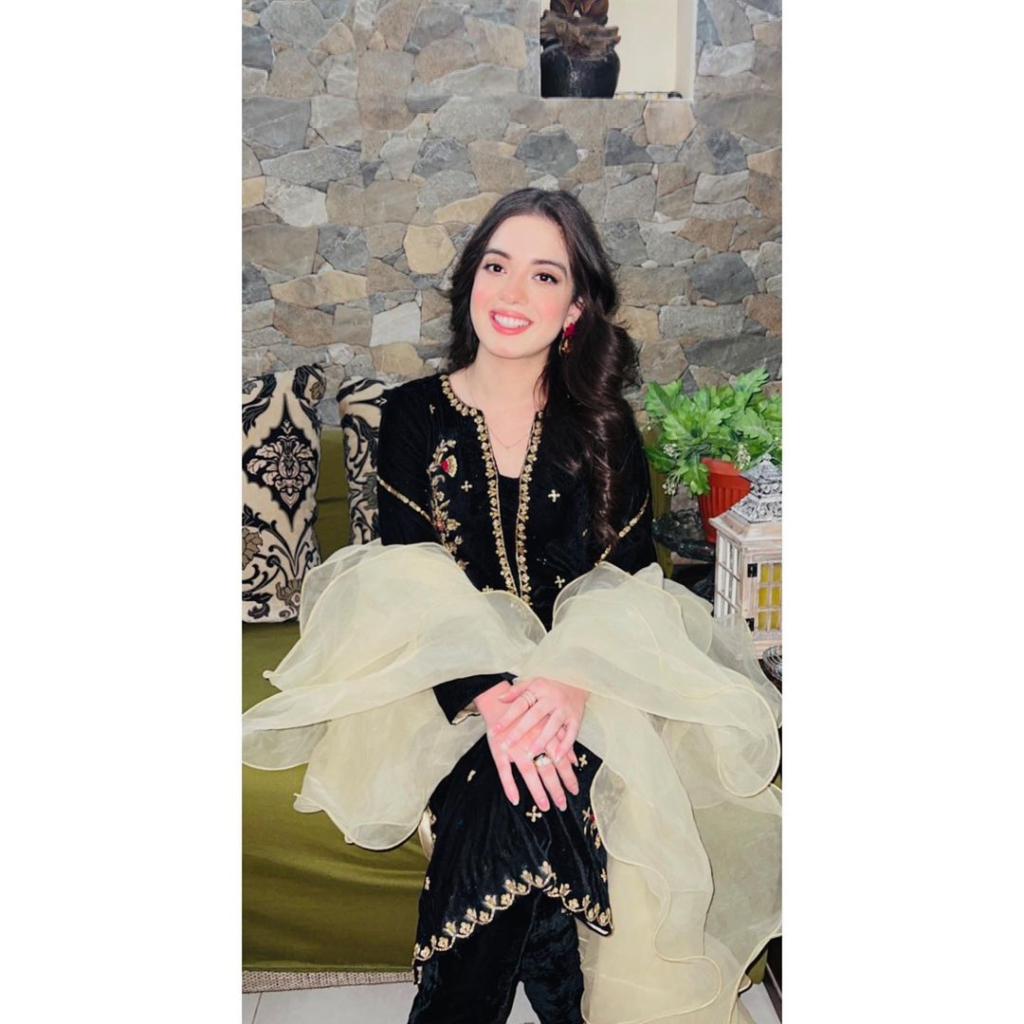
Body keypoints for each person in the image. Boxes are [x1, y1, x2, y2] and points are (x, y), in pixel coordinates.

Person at [242, 187, 781, 1024]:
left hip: (595, 684)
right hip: (444, 681)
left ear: (576, 307)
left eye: (544, 275)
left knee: (522, 786)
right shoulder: (412, 415)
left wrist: (569, 684)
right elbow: (406, 580)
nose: (513, 292)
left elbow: (629, 577)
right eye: (496, 266)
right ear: (470, 281)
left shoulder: (602, 425)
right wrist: (492, 698)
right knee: (523, 784)